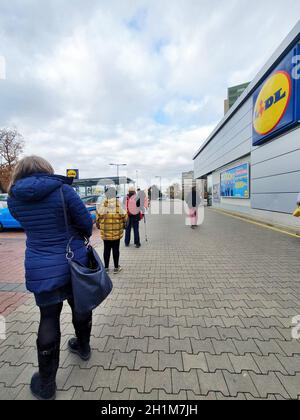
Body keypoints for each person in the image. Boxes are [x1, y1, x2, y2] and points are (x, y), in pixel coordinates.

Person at [8, 156, 94, 401]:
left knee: (48, 317)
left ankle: (46, 385)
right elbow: (87, 225)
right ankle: (84, 347)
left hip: (40, 265)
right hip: (73, 262)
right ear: (46, 170)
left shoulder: (14, 197)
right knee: (81, 305)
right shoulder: (63, 190)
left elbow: (29, 224)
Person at [96, 186, 127, 274]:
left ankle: (106, 268)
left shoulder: (102, 204)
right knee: (116, 249)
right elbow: (125, 216)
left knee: (106, 249)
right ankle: (116, 268)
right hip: (117, 232)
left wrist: (99, 223)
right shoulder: (119, 204)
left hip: (105, 232)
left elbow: (98, 217)